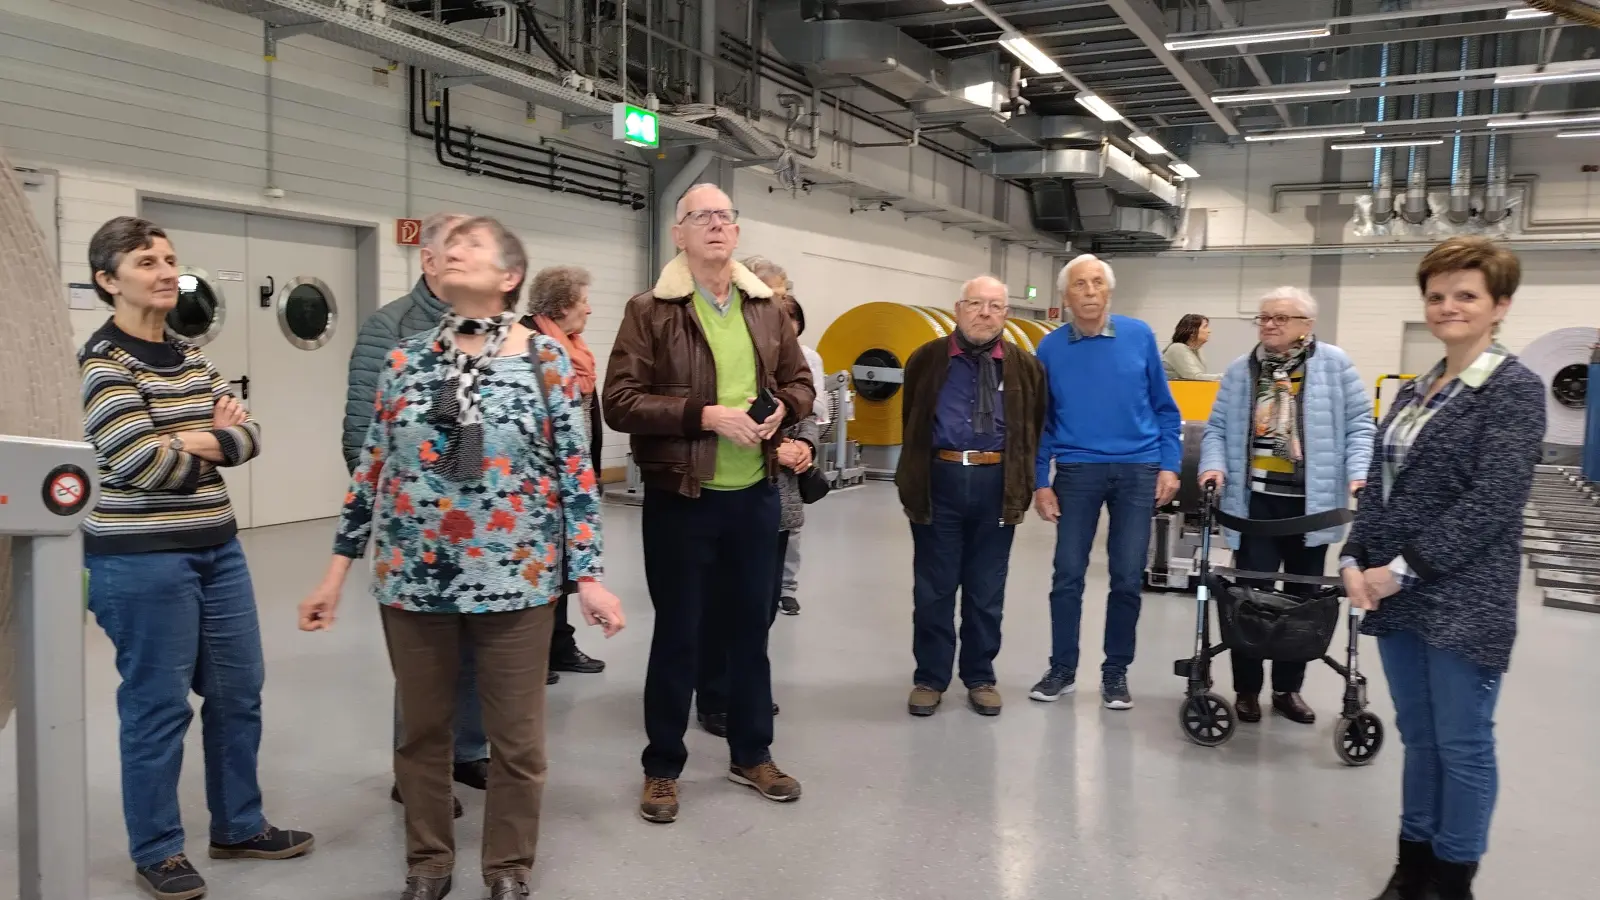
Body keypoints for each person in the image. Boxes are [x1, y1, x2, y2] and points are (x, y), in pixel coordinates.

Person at [298, 216, 626, 900]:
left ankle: (507, 867)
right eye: (447, 245)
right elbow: (372, 469)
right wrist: (335, 570)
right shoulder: (406, 358)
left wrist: (588, 577)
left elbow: (576, 474)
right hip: (413, 579)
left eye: (473, 244)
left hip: (517, 578)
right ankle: (427, 863)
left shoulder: (547, 361)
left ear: (509, 277)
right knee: (422, 735)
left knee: (517, 741)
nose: (453, 250)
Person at [79, 216, 313, 900]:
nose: (164, 271)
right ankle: (157, 848)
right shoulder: (102, 364)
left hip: (217, 549)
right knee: (156, 707)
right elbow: (137, 462)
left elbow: (251, 437)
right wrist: (209, 438)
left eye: (170, 258)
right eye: (146, 260)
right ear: (106, 280)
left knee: (239, 694)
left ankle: (239, 824)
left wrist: (195, 438)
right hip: (139, 561)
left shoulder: (189, 356)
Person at [603, 182, 815, 825]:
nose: (717, 225)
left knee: (751, 633)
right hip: (682, 499)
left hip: (753, 497)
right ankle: (662, 767)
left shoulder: (766, 308)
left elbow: (801, 383)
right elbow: (619, 401)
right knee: (679, 637)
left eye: (726, 215)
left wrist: (785, 409)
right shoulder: (650, 311)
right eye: (702, 216)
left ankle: (752, 754)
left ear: (737, 232)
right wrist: (706, 416)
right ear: (680, 234)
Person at [1343, 237, 1543, 900]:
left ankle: (1453, 877)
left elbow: (1495, 498)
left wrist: (1399, 570)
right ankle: (1413, 862)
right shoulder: (1415, 390)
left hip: (1463, 596)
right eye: (1437, 296)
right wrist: (1353, 555)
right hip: (1394, 591)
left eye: (1466, 295)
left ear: (1499, 306)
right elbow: (1379, 482)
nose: (1448, 307)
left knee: (1461, 742)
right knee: (1418, 735)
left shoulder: (1514, 390)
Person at [341, 211, 487, 819]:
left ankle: (468, 750)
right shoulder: (390, 332)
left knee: (479, 643)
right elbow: (361, 438)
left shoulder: (495, 332)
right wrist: (426, 499)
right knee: (427, 661)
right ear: (428, 261)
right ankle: (416, 769)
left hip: (489, 529)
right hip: (419, 529)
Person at [1198, 287, 1374, 724]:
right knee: (1249, 600)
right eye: (1263, 317)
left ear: (1306, 326)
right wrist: (1213, 467)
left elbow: (1359, 426)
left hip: (1313, 508)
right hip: (1254, 504)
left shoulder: (1335, 365)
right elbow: (1217, 429)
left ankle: (1287, 689)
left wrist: (1359, 472)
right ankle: (1246, 689)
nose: (1269, 324)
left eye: (1280, 317)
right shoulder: (1242, 371)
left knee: (1303, 602)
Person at [1029, 254, 1181, 710]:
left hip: (1138, 470)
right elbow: (1042, 422)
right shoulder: (1050, 350)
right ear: (1065, 296)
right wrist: (1041, 480)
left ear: (1109, 292)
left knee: (1127, 576)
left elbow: (1164, 408)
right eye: (1080, 284)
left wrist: (1169, 465)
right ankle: (1062, 668)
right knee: (1067, 575)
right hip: (1077, 471)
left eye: (1097, 283)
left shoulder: (1139, 337)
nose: (1090, 291)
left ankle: (1116, 671)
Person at [895, 275, 1047, 717]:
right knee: (934, 588)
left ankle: (980, 675)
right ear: (959, 309)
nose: (986, 313)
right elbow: (912, 420)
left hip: (996, 484)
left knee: (986, 590)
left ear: (1007, 313)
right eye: (976, 304)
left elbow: (1033, 427)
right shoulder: (926, 360)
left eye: (996, 306)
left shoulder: (1025, 367)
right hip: (938, 481)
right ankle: (930, 677)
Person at [696, 288, 821, 737]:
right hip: (729, 494)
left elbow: (806, 413)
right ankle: (713, 694)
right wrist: (772, 442)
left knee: (760, 607)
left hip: (778, 503)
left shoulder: (792, 370)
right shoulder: (729, 364)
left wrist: (804, 445)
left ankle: (747, 689)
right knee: (719, 603)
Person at [523, 265, 608, 677]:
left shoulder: (575, 350)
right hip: (540, 486)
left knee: (561, 571)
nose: (589, 310)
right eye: (584, 301)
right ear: (560, 307)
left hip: (572, 478)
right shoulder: (532, 347)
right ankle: (540, 652)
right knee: (544, 573)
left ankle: (556, 646)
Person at [742, 254, 828, 616]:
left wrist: (805, 443)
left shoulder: (793, 352)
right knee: (736, 600)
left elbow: (807, 401)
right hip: (739, 486)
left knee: (765, 601)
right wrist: (775, 449)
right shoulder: (730, 345)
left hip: (782, 487)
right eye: (774, 294)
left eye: (784, 294)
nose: (782, 303)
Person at [1162, 313, 1220, 381]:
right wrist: (1227, 377)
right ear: (1192, 332)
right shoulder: (1177, 348)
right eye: (1205, 327)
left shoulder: (1197, 349)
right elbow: (1195, 377)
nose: (1209, 331)